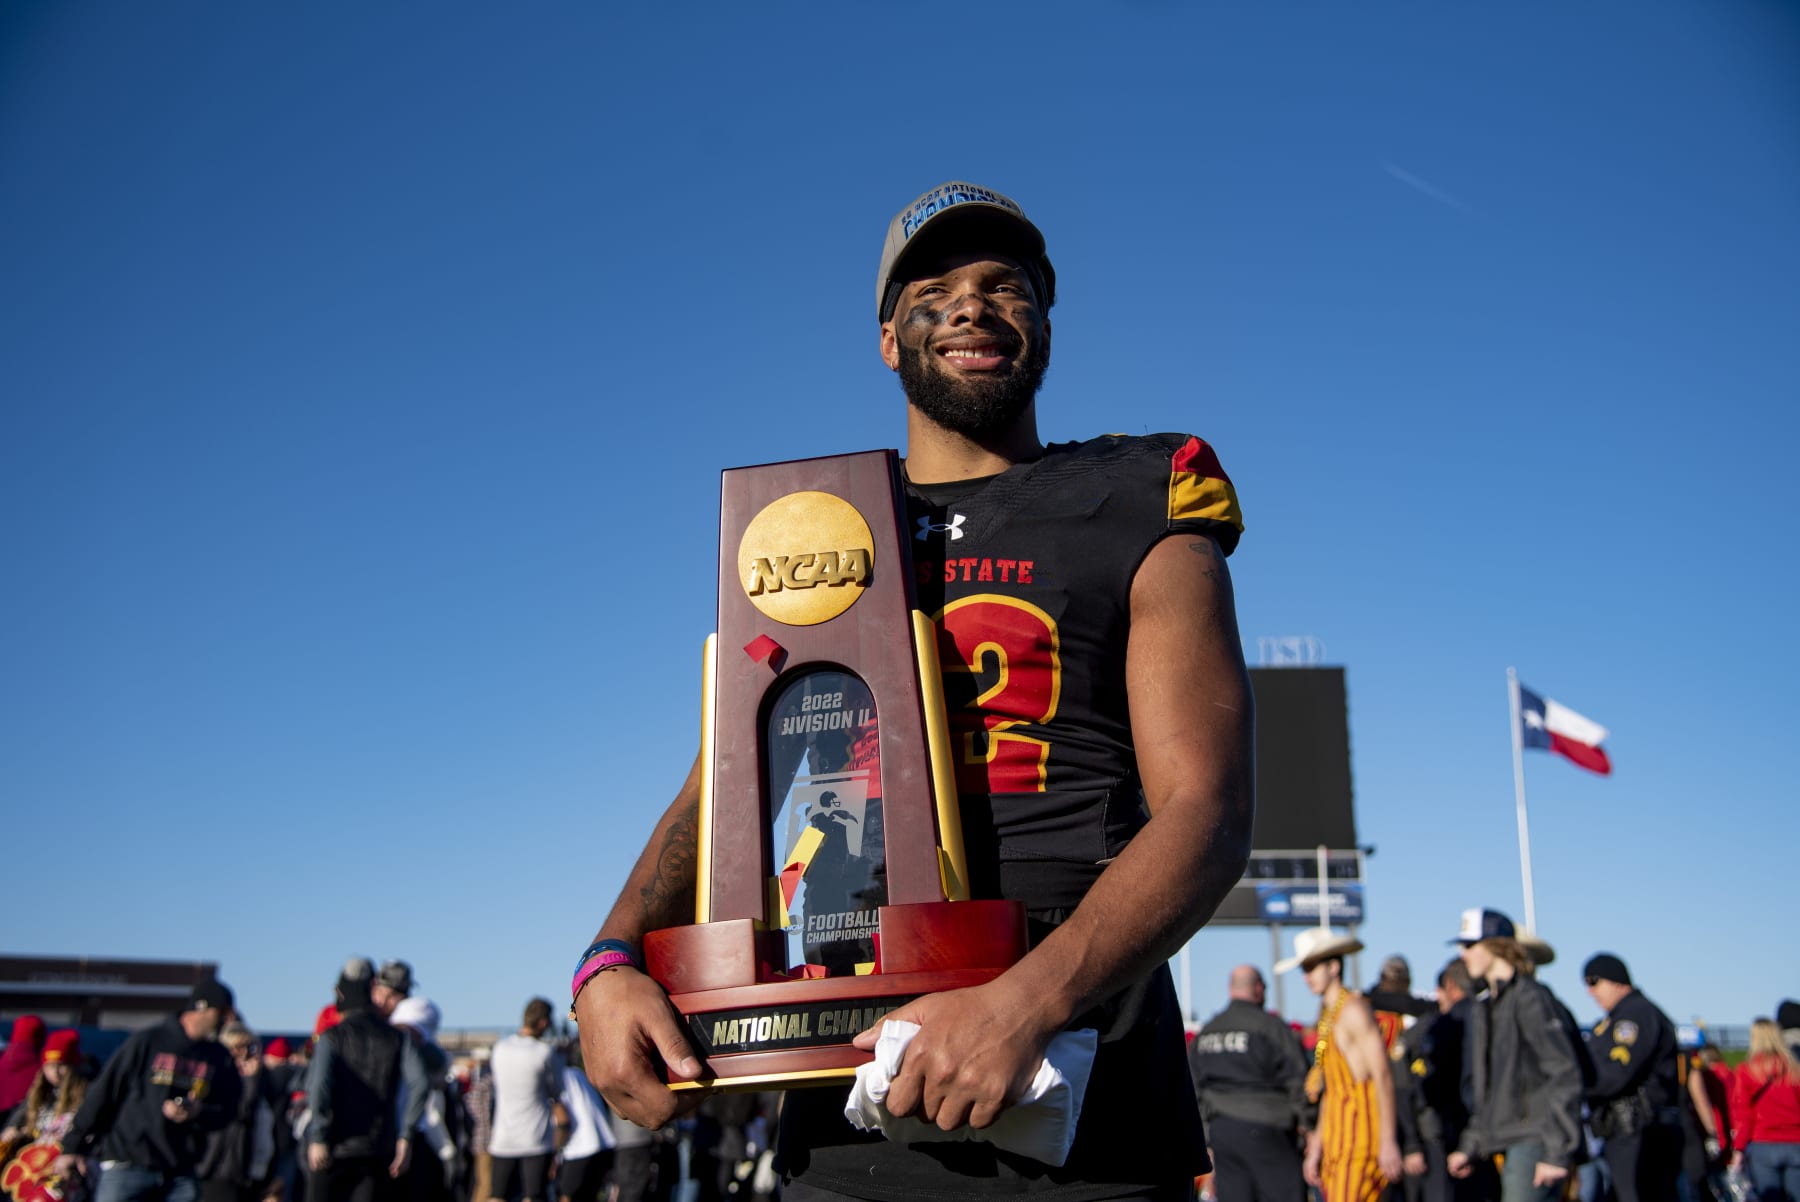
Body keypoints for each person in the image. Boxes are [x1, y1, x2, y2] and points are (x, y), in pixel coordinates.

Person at [572, 178, 1254, 1201]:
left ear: (1043, 320)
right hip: (848, 1103)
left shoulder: (1137, 490)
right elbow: (727, 777)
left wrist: (1022, 1002)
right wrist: (605, 959)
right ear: (889, 338)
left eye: (1004, 285)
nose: (972, 306)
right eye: (933, 288)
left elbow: (1209, 808)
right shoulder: (823, 524)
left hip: (1081, 1100)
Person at [55, 981, 245, 1202]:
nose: (226, 1020)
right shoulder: (148, 1041)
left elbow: (230, 1108)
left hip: (181, 1173)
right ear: (201, 1008)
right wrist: (72, 1145)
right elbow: (104, 1093)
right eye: (221, 1012)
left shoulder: (218, 1056)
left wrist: (199, 1111)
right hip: (129, 1166)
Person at [1445, 909, 1583, 1202]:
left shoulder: (1531, 997)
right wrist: (1470, 1144)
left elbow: (1564, 1073)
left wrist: (1557, 1153)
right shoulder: (1486, 1006)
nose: (1463, 954)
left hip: (1536, 1140)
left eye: (1470, 946)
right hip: (1504, 1141)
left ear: (1496, 946)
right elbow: (1491, 1089)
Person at [1278, 928, 1404, 1202]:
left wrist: (1388, 1140)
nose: (1306, 976)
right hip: (1338, 1140)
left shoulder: (1354, 1009)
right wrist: (1317, 1147)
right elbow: (1331, 1090)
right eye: (1304, 968)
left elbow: (1382, 1074)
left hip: (1360, 1138)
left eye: (1312, 967)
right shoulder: (1328, 1014)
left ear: (1334, 967)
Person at [305, 959, 429, 1202]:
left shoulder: (332, 1037)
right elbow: (421, 1083)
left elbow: (319, 1085)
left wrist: (318, 1137)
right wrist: (406, 1136)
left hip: (335, 1148)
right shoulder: (396, 1037)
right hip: (378, 1147)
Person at [1188, 965, 1307, 1202]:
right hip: (1270, 1130)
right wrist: (1307, 1126)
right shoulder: (1271, 1027)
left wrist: (1206, 1137)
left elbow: (1193, 1090)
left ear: (1230, 989)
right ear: (1259, 988)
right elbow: (1299, 1079)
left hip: (1223, 1133)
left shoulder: (1207, 1033)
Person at [1584, 953, 1682, 1202]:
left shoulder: (1635, 1015)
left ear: (1616, 980)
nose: (1590, 991)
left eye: (1594, 981)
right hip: (1626, 1130)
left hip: (1639, 1130)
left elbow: (1616, 1074)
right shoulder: (1616, 1018)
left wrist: (1577, 1084)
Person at [1392, 960, 1485, 1202]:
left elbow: (1407, 1089)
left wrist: (1411, 1143)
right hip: (1457, 1135)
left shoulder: (1435, 1027)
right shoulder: (1482, 1017)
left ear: (1450, 987)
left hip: (1440, 1134)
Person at [486, 1000, 563, 1202]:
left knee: (497, 1195)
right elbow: (557, 1093)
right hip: (535, 1139)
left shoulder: (500, 1048)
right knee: (533, 1196)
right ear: (544, 1023)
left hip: (503, 1137)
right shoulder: (544, 1052)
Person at [1729, 1019, 1800, 1202]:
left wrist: (1738, 1149)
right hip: (1795, 1141)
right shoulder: (1794, 1068)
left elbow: (1744, 1114)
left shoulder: (1747, 1070)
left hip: (1764, 1142)